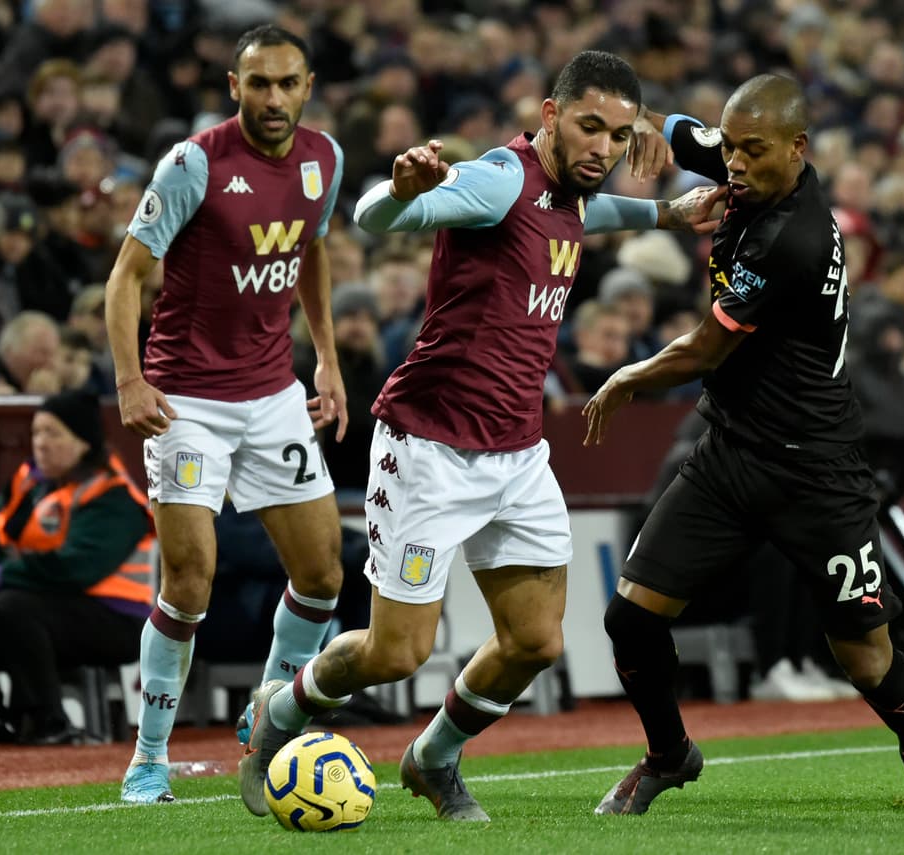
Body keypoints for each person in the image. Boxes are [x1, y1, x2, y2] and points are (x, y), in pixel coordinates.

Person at [236, 49, 722, 823]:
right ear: (551, 115)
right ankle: (281, 711)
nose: (603, 147)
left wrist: (669, 212)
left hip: (519, 454)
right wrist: (399, 193)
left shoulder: (570, 193)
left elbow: (590, 215)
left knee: (536, 642)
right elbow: (374, 216)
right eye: (589, 126)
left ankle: (432, 759)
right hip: (430, 445)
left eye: (619, 134)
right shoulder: (500, 179)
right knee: (395, 652)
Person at [582, 75, 904, 816]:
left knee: (862, 652)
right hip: (729, 456)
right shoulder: (745, 162)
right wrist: (642, 124)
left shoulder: (790, 235)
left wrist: (627, 375)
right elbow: (687, 132)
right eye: (729, 148)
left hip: (816, 468)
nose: (733, 163)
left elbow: (703, 350)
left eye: (751, 151)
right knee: (630, 618)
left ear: (796, 150)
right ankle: (669, 753)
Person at [105, 24, 349, 805]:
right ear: (234, 86)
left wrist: (329, 358)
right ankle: (148, 757)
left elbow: (310, 249)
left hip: (273, 392)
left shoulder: (326, 159)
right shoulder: (194, 163)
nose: (272, 97)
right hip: (187, 402)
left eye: (286, 83)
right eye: (257, 83)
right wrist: (130, 380)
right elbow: (126, 276)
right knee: (190, 583)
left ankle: (268, 722)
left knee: (321, 573)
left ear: (308, 86)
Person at [0, 391, 154, 744]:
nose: (40, 444)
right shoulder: (28, 482)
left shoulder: (112, 495)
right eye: (36, 433)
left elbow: (76, 567)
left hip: (114, 619)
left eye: (53, 434)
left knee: (16, 608)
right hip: (35, 604)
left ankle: (46, 721)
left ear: (82, 442)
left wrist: (1, 577)